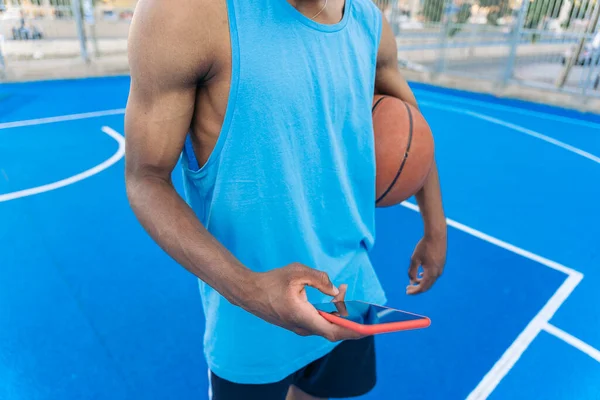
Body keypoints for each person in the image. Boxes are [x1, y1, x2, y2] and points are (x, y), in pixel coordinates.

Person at [124, 0, 447, 399]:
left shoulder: (369, 23)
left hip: (349, 290)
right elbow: (146, 178)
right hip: (248, 321)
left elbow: (412, 131)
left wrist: (435, 228)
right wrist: (251, 289)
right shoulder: (186, 13)